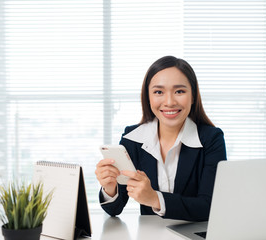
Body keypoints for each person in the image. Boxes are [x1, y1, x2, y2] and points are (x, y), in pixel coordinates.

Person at [95, 56, 227, 221]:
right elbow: (115, 209)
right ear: (148, 97)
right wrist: (109, 188)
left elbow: (209, 207)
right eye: (158, 92)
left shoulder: (211, 139)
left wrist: (155, 199)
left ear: (193, 96)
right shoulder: (133, 138)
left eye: (179, 91)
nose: (170, 102)